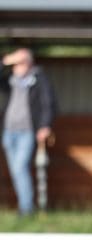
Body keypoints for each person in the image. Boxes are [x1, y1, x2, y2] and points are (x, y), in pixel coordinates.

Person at [0, 48, 57, 216]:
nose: (19, 66)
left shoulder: (38, 79)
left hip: (27, 132)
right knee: (15, 170)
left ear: (29, 63)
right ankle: (24, 206)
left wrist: (45, 125)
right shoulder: (10, 80)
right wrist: (5, 61)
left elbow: (49, 103)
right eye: (16, 63)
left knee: (19, 168)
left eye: (22, 62)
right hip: (9, 131)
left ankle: (26, 208)